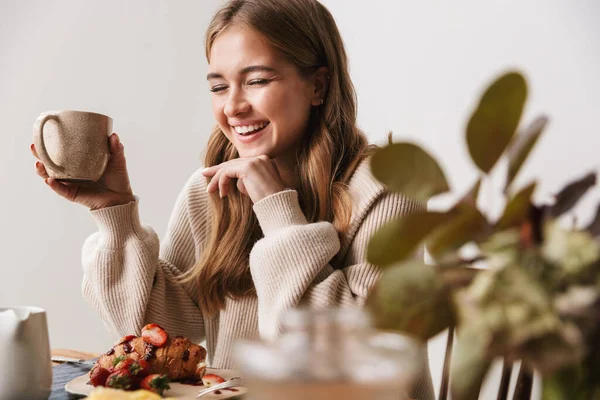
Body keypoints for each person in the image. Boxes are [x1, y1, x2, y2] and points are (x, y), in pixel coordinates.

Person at [31, 0, 434, 397]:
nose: (233, 107)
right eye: (219, 87)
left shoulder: (387, 187)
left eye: (257, 80)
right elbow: (158, 329)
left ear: (318, 86)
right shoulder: (212, 190)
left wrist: (277, 210)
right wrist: (113, 210)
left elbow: (356, 358)